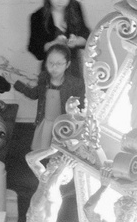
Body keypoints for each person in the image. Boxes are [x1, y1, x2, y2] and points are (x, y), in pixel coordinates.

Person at [5, 45, 85, 210]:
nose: (54, 68)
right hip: (46, 123)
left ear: (68, 64)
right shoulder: (44, 79)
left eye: (59, 64)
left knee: (61, 156)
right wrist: (17, 83)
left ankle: (60, 185)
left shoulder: (75, 84)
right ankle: (44, 180)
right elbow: (34, 94)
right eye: (50, 63)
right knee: (43, 153)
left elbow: (80, 108)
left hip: (63, 128)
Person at [28, 0, 92, 68]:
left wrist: (76, 41)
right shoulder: (38, 16)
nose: (61, 0)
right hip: (50, 67)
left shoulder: (75, 8)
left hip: (72, 64)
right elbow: (34, 48)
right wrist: (53, 44)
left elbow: (87, 36)